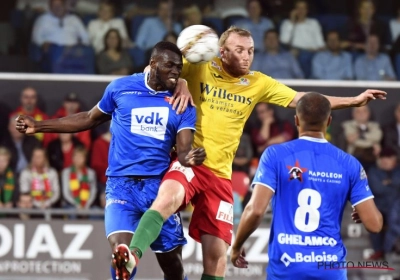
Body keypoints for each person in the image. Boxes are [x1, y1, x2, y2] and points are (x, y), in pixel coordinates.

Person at [114, 26, 387, 280]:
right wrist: (181, 82)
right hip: (192, 161)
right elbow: (161, 73)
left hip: (221, 175)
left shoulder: (258, 82)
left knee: (216, 257)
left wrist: (353, 100)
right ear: (222, 52)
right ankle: (131, 257)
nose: (247, 57)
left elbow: (303, 100)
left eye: (251, 50)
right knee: (166, 199)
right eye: (239, 50)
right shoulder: (197, 68)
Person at [15, 41, 204, 280]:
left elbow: (185, 150)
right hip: (120, 186)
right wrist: (39, 126)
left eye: (179, 68)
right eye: (170, 66)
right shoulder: (121, 88)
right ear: (153, 64)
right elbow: (89, 118)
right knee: (121, 256)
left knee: (173, 268)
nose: (176, 72)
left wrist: (191, 157)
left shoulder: (181, 103)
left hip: (159, 190)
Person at [230, 92, 383, 279]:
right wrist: (364, 210)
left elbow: (255, 210)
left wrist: (236, 246)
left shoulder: (275, 155)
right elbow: (374, 225)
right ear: (328, 122)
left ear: (296, 120)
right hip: (330, 269)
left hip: (287, 267)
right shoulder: (349, 163)